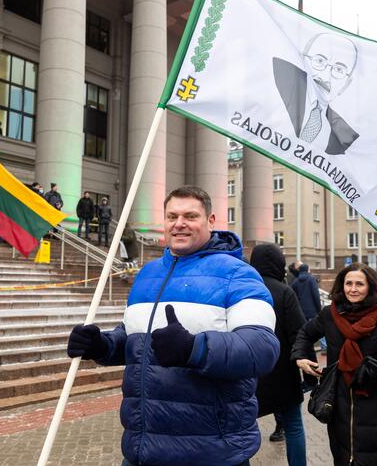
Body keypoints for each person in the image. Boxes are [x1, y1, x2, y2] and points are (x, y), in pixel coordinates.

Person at [66, 185, 279, 465]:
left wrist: (195, 348)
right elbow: (135, 339)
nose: (179, 224)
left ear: (211, 221)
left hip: (212, 452)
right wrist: (102, 345)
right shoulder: (148, 273)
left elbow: (261, 349)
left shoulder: (238, 273)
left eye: (190, 216)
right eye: (172, 216)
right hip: (142, 448)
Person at [292, 263, 377, 465]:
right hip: (338, 401)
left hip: (372, 404)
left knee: (371, 458)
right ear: (341, 286)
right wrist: (300, 357)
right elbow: (304, 333)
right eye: (348, 283)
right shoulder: (330, 315)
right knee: (342, 456)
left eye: (359, 284)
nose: (353, 289)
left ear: (370, 287)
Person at [250, 243, 308, 465]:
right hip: (283, 371)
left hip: (250, 371)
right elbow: (299, 334)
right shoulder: (284, 291)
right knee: (294, 425)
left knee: (244, 426)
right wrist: (309, 376)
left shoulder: (242, 288)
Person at [272, 33, 359, 155]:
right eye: (319, 60)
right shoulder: (276, 93)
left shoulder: (346, 139)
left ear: (346, 84)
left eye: (339, 69)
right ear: (302, 61)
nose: (325, 77)